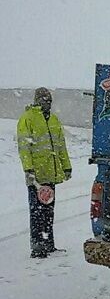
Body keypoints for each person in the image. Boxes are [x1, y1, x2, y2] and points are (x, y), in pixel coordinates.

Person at [16, 87, 72, 258]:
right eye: (43, 99)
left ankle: (48, 244)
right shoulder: (27, 119)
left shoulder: (54, 120)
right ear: (36, 100)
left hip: (50, 175)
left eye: (49, 99)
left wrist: (66, 166)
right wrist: (28, 170)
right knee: (36, 212)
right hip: (36, 176)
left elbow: (60, 146)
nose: (47, 102)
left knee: (48, 211)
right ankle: (37, 247)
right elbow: (24, 148)